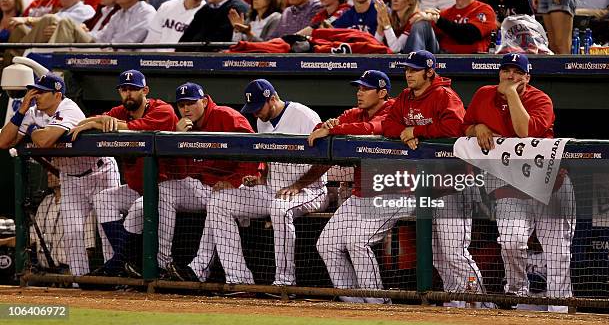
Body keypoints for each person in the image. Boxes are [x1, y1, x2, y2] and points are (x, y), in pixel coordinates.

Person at [174, 79, 327, 291]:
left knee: (279, 209)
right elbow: (269, 159)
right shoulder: (261, 121)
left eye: (258, 107)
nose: (255, 113)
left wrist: (299, 185)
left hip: (311, 190)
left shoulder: (304, 115)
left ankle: (284, 283)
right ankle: (239, 280)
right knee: (219, 202)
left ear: (272, 98)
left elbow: (327, 158)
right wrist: (260, 178)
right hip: (272, 189)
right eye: (252, 109)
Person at [463, 53, 575, 313]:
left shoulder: (540, 99)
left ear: (527, 76)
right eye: (506, 71)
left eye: (517, 72)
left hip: (550, 185)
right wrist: (477, 126)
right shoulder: (483, 95)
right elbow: (464, 127)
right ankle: (516, 294)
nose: (510, 76)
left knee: (557, 252)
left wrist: (512, 93)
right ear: (499, 73)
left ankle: (559, 309)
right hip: (509, 186)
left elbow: (525, 132)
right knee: (511, 241)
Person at [381, 51, 483, 306]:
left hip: (453, 184)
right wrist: (405, 132)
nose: (408, 74)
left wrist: (415, 130)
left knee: (454, 252)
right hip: (426, 187)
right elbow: (388, 125)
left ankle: (480, 303)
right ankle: (456, 302)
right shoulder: (405, 97)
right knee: (436, 255)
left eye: (414, 70)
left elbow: (454, 129)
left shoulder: (444, 95)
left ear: (429, 71)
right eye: (407, 69)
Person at [0, 73, 121, 277]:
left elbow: (45, 140)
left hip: (99, 171)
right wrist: (21, 112)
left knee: (105, 230)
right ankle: (78, 281)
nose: (35, 95)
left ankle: (117, 280)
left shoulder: (68, 108)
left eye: (41, 92)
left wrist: (31, 130)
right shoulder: (31, 112)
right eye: (34, 91)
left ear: (57, 95)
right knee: (72, 232)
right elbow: (4, 142)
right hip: (70, 177)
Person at [69, 70, 178, 276]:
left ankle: (118, 264)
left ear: (145, 91)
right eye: (124, 89)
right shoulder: (120, 111)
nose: (128, 94)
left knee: (137, 210)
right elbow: (83, 123)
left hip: (166, 188)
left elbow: (139, 129)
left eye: (133, 89)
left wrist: (99, 123)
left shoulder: (163, 110)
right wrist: (96, 121)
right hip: (138, 188)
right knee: (103, 199)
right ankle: (128, 262)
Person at [310, 70, 396, 304]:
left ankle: (378, 303)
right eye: (358, 88)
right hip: (362, 193)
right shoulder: (355, 114)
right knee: (326, 244)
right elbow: (322, 127)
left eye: (366, 89)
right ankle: (354, 304)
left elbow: (373, 129)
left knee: (357, 241)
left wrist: (334, 129)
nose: (360, 93)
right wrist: (327, 124)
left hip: (394, 191)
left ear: (382, 92)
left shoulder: (394, 110)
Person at [160, 82, 258, 274]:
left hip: (238, 188)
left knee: (217, 201)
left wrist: (234, 181)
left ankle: (198, 269)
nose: (186, 109)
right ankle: (162, 263)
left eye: (191, 103)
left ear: (204, 101)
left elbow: (252, 153)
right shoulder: (181, 127)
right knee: (165, 190)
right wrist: (175, 137)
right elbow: (174, 171)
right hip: (204, 186)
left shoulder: (226, 116)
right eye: (181, 105)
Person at [48, 0, 156, 43]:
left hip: (121, 56)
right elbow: (103, 36)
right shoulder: (119, 14)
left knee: (66, 23)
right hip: (104, 50)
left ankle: (49, 65)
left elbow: (129, 41)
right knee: (66, 25)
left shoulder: (146, 11)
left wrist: (105, 47)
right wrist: (81, 32)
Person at [416, 0, 497, 54]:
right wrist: (418, 17)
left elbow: (469, 35)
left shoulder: (484, 10)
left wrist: (438, 20)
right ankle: (413, 63)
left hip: (473, 60)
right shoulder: (445, 13)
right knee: (421, 24)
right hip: (444, 59)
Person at [9, 0, 95, 43]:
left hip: (77, 49)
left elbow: (62, 21)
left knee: (49, 19)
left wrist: (27, 20)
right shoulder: (61, 10)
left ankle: (19, 54)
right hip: (52, 42)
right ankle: (12, 57)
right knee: (19, 29)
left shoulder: (86, 9)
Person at [374, 0, 438, 53]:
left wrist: (386, 22)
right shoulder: (392, 18)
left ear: (410, 0)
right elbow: (375, 45)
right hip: (401, 60)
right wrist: (380, 26)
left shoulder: (415, 19)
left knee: (420, 24)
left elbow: (396, 49)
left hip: (426, 57)